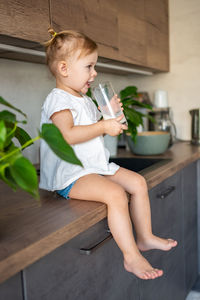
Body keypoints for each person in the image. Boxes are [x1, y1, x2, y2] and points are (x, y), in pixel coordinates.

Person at [40, 29, 177, 280]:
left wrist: (108, 119)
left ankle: (145, 237)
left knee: (137, 182)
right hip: (70, 174)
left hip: (92, 167)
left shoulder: (85, 99)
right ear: (64, 68)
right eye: (89, 66)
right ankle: (131, 256)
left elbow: (89, 137)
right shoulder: (58, 99)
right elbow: (68, 135)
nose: (94, 73)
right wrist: (103, 125)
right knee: (115, 194)